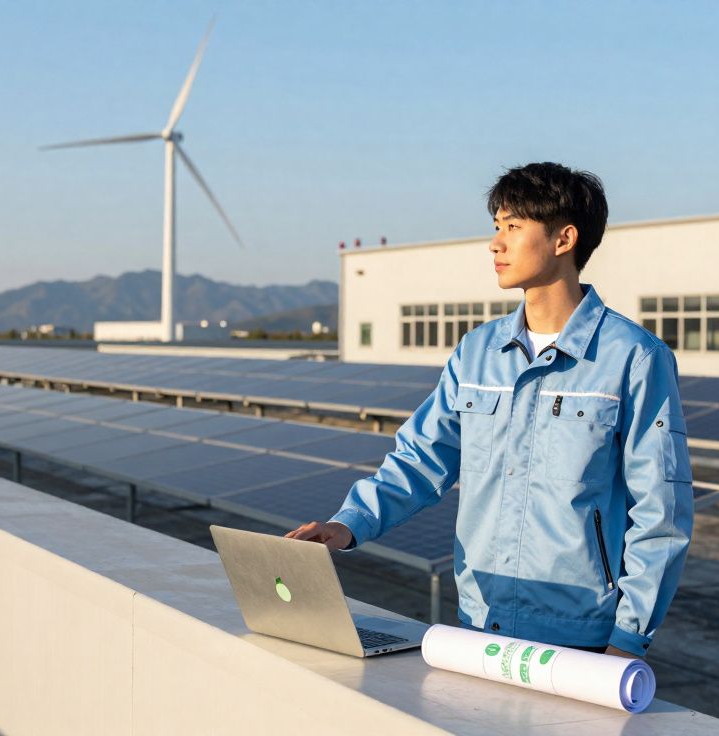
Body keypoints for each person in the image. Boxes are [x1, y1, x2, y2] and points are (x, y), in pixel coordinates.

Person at [287, 162, 693, 658]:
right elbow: (420, 459)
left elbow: (662, 512)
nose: (495, 244)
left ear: (564, 240)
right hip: (480, 620)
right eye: (496, 227)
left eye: (513, 227)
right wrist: (347, 524)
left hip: (580, 636)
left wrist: (628, 640)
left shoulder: (634, 357)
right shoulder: (477, 353)